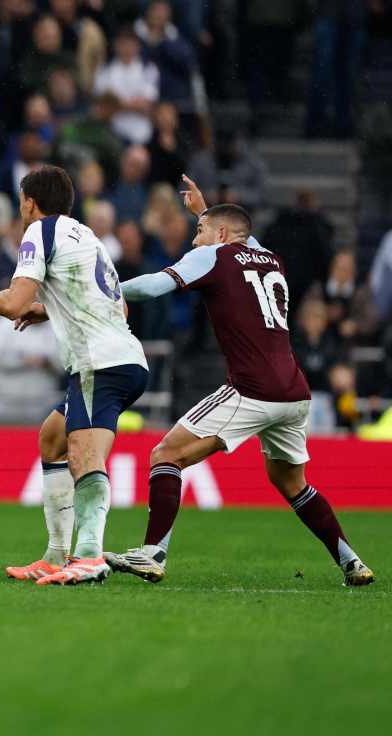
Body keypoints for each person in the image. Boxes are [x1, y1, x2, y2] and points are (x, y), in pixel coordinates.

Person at [103, 176, 374, 587]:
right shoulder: (271, 259)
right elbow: (242, 237)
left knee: (165, 455)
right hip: (294, 392)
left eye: (198, 233)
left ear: (222, 236)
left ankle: (151, 553)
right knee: (290, 481)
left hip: (252, 389)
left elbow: (155, 285)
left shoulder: (215, 255)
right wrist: (204, 212)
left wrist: (102, 294)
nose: (195, 242)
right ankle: (351, 561)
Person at [0, 165, 149, 586]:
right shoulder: (87, 235)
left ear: (30, 202)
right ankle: (55, 555)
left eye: (22, 200)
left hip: (100, 363)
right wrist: (48, 310)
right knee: (53, 439)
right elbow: (119, 306)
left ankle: (90, 555)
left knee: (83, 455)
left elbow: (13, 303)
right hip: (123, 358)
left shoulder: (39, 232)